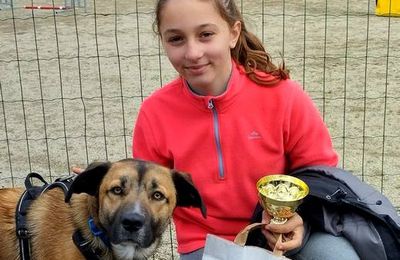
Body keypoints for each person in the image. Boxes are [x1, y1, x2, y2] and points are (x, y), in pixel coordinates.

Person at [132, 0, 360, 259]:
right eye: (176, 39)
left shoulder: (283, 95)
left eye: (206, 35)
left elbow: (322, 174)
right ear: (162, 41)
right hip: (206, 242)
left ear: (233, 33)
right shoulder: (154, 113)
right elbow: (145, 193)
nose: (193, 52)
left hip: (294, 230)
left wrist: (300, 220)